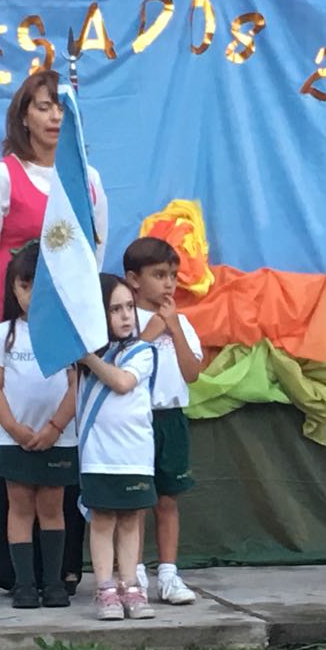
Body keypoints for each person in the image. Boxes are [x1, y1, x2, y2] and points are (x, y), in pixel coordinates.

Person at [0, 69, 107, 595]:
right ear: (23, 115)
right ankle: (13, 571)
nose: (54, 117)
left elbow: (95, 252)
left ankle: (63, 568)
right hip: (11, 324)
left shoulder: (87, 179)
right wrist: (0, 325)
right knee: (11, 450)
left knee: (64, 447)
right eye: (44, 107)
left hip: (66, 322)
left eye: (61, 108)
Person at [0, 242, 78, 609]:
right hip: (13, 441)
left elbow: (76, 385)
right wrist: (14, 428)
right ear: (14, 288)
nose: (33, 294)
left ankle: (53, 583)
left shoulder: (66, 334)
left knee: (52, 509)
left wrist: (54, 427)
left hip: (58, 440)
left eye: (42, 285)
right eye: (25, 285)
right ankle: (24, 584)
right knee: (19, 508)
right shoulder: (1, 334)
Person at [123, 237, 204, 604]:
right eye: (159, 275)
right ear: (134, 279)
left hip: (170, 419)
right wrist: (150, 333)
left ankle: (169, 575)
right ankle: (134, 572)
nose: (168, 283)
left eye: (172, 275)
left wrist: (173, 328)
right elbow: (120, 365)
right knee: (136, 500)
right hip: (134, 419)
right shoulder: (123, 319)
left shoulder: (181, 321)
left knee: (167, 499)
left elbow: (192, 373)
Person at [77, 275, 158, 621]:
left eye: (129, 307)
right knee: (102, 520)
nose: (126, 316)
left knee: (129, 521)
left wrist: (88, 359)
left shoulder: (142, 352)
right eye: (114, 309)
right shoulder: (86, 358)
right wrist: (85, 353)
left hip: (135, 457)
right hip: (98, 457)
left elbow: (123, 382)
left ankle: (131, 587)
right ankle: (106, 589)